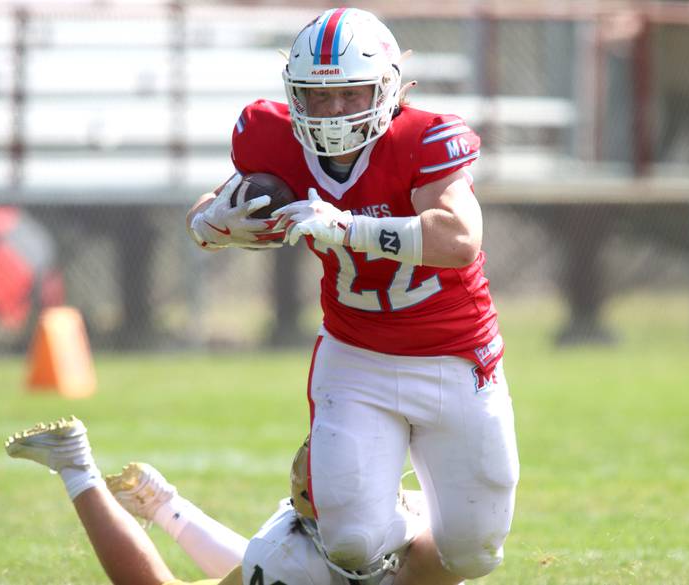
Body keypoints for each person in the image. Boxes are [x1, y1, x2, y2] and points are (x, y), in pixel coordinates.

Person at [186, 8, 519, 585]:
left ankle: (404, 513)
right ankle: (350, 521)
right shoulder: (273, 140)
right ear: (295, 96)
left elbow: (461, 238)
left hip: (455, 356)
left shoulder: (423, 137)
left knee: (472, 554)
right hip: (357, 355)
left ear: (388, 87)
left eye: (350, 93)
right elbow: (206, 214)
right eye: (318, 97)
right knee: (352, 542)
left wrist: (348, 228)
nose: (334, 111)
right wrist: (216, 222)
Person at [4, 415, 425, 585]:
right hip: (290, 556)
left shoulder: (424, 520)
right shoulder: (287, 559)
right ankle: (76, 465)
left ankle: (164, 504)